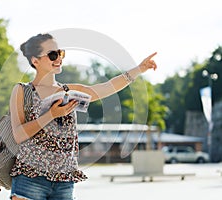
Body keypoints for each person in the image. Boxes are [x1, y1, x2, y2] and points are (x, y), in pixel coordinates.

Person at [9, 33, 157, 200]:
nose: (59, 58)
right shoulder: (22, 91)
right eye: (52, 54)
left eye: (60, 53)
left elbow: (107, 87)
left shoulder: (69, 91)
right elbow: (19, 135)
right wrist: (51, 114)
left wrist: (139, 69)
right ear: (35, 61)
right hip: (30, 179)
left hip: (64, 181)